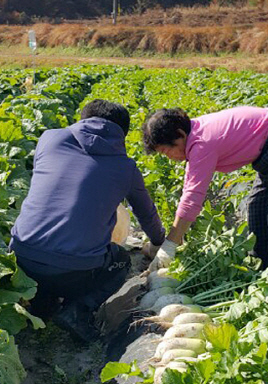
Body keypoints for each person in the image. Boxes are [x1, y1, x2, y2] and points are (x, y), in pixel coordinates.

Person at [10, 99, 165, 341]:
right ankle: (78, 310)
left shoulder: (49, 139)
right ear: (121, 135)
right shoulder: (126, 167)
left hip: (22, 259)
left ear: (81, 120)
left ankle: (41, 301)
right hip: (74, 272)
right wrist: (160, 242)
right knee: (121, 261)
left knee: (50, 253)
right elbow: (146, 215)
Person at [143, 106, 268, 288]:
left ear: (180, 134)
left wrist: (170, 243)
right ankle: (264, 271)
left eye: (166, 151)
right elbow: (189, 187)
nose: (169, 157)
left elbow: (193, 197)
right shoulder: (194, 138)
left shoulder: (202, 142)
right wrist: (176, 238)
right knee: (257, 207)